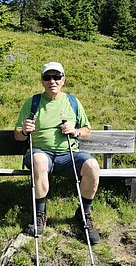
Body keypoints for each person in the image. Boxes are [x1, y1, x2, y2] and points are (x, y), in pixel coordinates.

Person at [14, 62, 100, 244]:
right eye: (47, 77)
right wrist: (24, 131)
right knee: (38, 160)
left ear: (63, 80)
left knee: (92, 165)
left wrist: (75, 131)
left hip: (69, 154)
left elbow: (87, 130)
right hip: (41, 152)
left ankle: (84, 214)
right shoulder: (32, 103)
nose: (52, 81)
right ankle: (39, 215)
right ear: (42, 81)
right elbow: (17, 136)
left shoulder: (73, 102)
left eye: (56, 77)